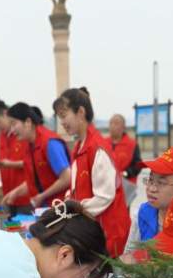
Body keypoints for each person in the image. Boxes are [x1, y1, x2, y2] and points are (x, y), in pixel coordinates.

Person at [53, 87, 131, 257]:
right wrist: (68, 199)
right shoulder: (80, 147)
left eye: (64, 115)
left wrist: (72, 208)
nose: (62, 122)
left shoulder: (96, 148)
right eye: (60, 117)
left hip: (107, 235)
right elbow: (76, 187)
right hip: (92, 230)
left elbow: (104, 197)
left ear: (80, 112)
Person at [125, 146, 173, 249]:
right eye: (151, 180)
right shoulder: (142, 214)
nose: (152, 188)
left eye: (161, 183)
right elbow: (130, 252)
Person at [7, 102, 70, 209]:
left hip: (61, 209)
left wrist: (43, 195)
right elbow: (35, 181)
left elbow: (67, 178)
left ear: (28, 122)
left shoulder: (50, 143)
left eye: (14, 124)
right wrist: (15, 193)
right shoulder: (29, 145)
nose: (12, 130)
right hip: (44, 209)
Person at [0, 99, 31, 214]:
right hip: (8, 196)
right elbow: (4, 162)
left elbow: (32, 164)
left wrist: (9, 164)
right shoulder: (2, 136)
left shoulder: (24, 134)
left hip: (26, 198)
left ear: (5, 113)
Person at [106, 114, 142, 206]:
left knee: (123, 215)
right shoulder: (102, 143)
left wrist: (126, 173)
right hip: (106, 187)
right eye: (111, 123)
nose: (112, 126)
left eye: (116, 123)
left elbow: (138, 165)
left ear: (123, 127)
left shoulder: (132, 144)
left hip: (125, 187)